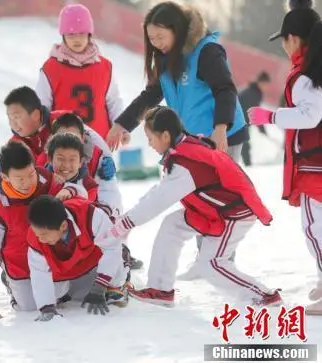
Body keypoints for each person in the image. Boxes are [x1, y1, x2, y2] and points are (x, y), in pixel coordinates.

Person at [105, 2, 248, 277]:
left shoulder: (206, 51)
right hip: (194, 140)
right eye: (151, 39)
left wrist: (220, 128)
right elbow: (151, 95)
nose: (156, 44)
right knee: (200, 199)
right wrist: (124, 124)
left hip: (222, 135)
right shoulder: (166, 57)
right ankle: (206, 260)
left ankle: (220, 261)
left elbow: (225, 89)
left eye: (160, 37)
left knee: (220, 200)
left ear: (178, 30)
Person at [101, 106, 281, 307]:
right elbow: (159, 191)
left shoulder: (186, 163)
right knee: (173, 225)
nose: (150, 145)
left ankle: (264, 296)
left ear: (166, 136)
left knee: (211, 264)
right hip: (211, 210)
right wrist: (127, 220)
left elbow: (158, 201)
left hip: (233, 213)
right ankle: (160, 289)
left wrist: (124, 224)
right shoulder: (182, 149)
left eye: (151, 139)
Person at [247, 0, 322, 315]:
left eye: (284, 40)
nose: (283, 47)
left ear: (294, 39)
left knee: (314, 228)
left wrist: (270, 116)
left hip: (314, 165)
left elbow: (311, 115)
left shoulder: (306, 76)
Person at [0, 142, 87, 321]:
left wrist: (68, 190)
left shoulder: (47, 180)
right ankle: (10, 281)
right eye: (20, 178)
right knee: (29, 307)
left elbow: (81, 195)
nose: (27, 182)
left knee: (61, 294)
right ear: (5, 176)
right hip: (20, 265)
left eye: (31, 174)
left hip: (50, 259)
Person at [43, 114, 143, 270]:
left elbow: (107, 195)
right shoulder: (47, 163)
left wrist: (104, 217)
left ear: (83, 138)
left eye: (73, 136)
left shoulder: (98, 158)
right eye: (62, 136)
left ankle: (120, 256)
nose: (68, 142)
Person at [27, 195, 129, 322]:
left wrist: (100, 287)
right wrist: (46, 308)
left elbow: (112, 249)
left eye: (44, 235)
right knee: (58, 295)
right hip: (65, 269)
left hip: (93, 259)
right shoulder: (36, 237)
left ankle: (121, 273)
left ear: (63, 225)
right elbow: (39, 273)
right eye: (37, 234)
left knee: (115, 269)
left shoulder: (91, 216)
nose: (40, 239)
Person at [35, 3, 126, 140]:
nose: (77, 39)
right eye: (71, 34)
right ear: (63, 35)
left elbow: (114, 102)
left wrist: (121, 130)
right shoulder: (51, 68)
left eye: (81, 33)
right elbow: (42, 106)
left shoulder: (105, 67)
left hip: (99, 145)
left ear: (89, 34)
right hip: (63, 145)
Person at [4, 86, 115, 174]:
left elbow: (88, 137)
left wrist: (105, 158)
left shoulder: (61, 120)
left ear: (36, 114)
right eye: (9, 118)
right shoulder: (15, 145)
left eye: (16, 117)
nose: (12, 124)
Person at [238, 71, 272, 166]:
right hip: (238, 121)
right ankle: (248, 166)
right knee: (244, 144)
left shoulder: (253, 91)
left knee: (242, 144)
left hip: (242, 121)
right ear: (261, 82)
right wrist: (262, 129)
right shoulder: (253, 93)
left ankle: (247, 165)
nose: (267, 88)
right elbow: (255, 114)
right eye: (266, 85)